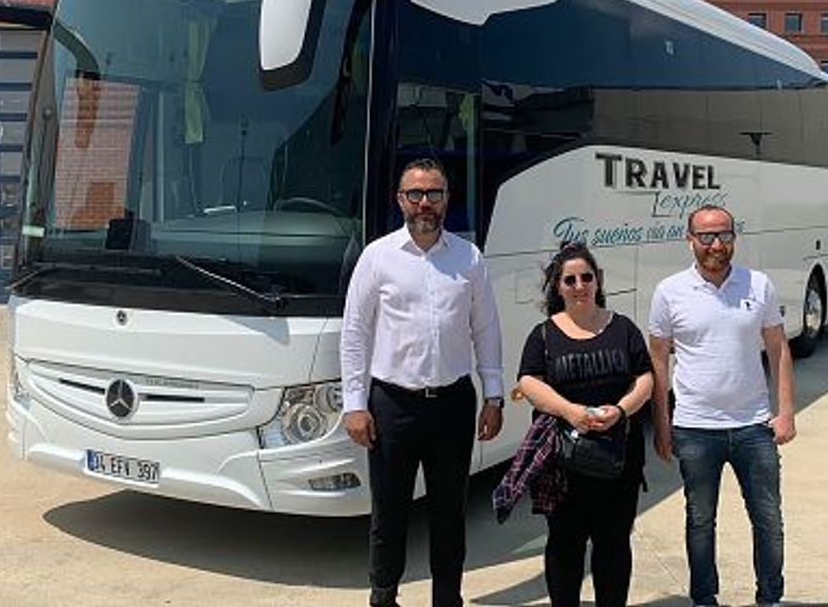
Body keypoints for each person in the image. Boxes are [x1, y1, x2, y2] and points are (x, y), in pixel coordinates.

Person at [339, 157, 505, 607]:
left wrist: (494, 395)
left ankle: (447, 598)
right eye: (415, 194)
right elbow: (355, 333)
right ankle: (383, 596)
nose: (425, 202)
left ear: (447, 199)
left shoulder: (469, 258)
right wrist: (354, 403)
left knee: (449, 513)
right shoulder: (377, 257)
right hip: (392, 406)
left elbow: (486, 329)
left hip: (452, 405)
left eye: (434, 193)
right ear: (400, 200)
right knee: (389, 512)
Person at [648, 205, 797, 607]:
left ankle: (770, 598)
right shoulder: (669, 291)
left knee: (768, 519)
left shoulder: (758, 285)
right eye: (706, 236)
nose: (716, 244)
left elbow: (778, 348)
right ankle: (704, 598)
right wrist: (662, 424)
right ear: (690, 240)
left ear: (734, 237)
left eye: (724, 235)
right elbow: (658, 360)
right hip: (695, 428)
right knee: (700, 521)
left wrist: (785, 411)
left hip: (754, 426)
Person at [515, 242, 654, 607]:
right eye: (570, 280)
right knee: (565, 543)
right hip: (564, 463)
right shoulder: (543, 335)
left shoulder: (623, 328)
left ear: (598, 281)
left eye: (586, 278)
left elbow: (645, 377)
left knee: (614, 542)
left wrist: (621, 410)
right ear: (557, 287)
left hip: (618, 459)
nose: (580, 286)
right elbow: (528, 381)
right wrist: (569, 411)